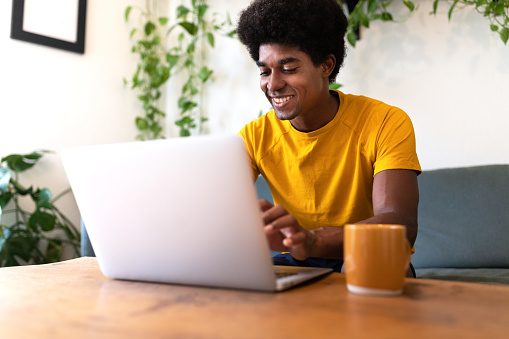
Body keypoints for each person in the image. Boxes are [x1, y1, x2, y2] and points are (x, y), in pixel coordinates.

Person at [236, 0, 421, 276]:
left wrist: (312, 240)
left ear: (326, 65)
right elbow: (212, 215)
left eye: (288, 68)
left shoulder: (384, 121)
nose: (272, 84)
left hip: (368, 257)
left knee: (365, 264)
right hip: (296, 261)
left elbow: (399, 225)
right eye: (264, 71)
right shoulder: (253, 137)